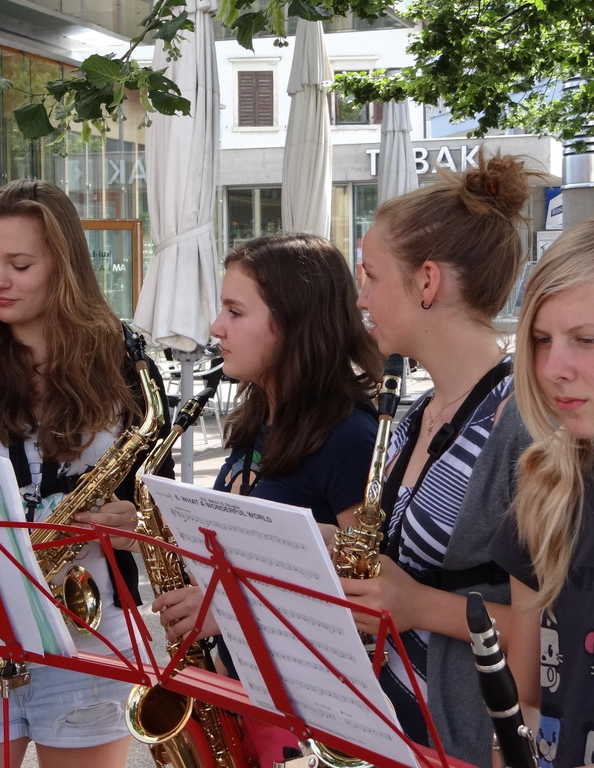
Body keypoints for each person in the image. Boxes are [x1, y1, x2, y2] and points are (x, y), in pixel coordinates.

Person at [0, 178, 174, 768]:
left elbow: (164, 508)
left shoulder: (127, 373)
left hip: (89, 633)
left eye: (19, 265)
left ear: (64, 266)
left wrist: (137, 522)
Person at [151, 232, 385, 765]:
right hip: (252, 691)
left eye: (235, 311)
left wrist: (228, 609)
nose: (216, 327)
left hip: (312, 726)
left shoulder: (349, 438)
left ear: (294, 323)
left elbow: (364, 606)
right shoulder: (261, 419)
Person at [341, 150, 540, 768]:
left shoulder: (523, 425)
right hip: (397, 726)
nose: (361, 297)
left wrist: (419, 606)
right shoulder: (417, 413)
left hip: (467, 739)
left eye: (372, 276)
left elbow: (551, 638)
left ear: (427, 282)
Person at [490, 218, 594, 768]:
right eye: (540, 340)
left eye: (587, 340)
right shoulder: (545, 485)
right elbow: (526, 698)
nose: (553, 369)